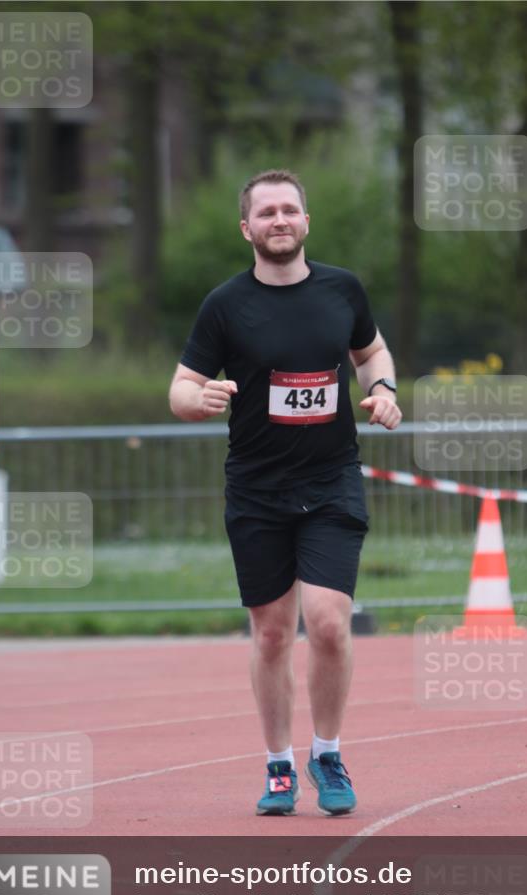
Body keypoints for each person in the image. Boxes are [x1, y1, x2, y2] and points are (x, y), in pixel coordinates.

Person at [169, 169, 401, 816]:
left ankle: (326, 753)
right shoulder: (224, 305)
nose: (279, 220)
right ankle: (277, 766)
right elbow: (180, 387)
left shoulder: (341, 290)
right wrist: (200, 399)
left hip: (330, 482)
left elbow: (372, 352)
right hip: (257, 488)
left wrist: (382, 391)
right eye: (265, 212)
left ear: (305, 222)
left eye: (289, 210)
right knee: (271, 635)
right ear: (246, 228)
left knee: (327, 623)